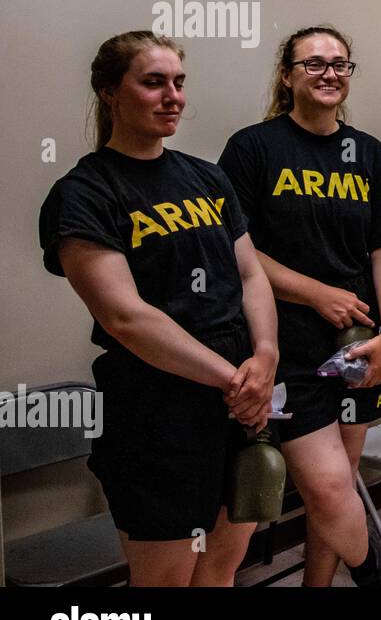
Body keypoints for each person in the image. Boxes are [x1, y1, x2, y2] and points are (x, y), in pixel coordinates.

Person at [38, 31, 278, 586]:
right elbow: (127, 317)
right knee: (166, 580)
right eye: (152, 82)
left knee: (220, 566)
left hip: (240, 404)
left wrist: (264, 355)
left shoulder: (206, 176)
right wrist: (237, 382)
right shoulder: (84, 193)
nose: (172, 96)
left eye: (178, 82)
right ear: (109, 93)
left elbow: (249, 273)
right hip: (156, 416)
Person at [218, 26, 381, 587]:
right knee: (312, 486)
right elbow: (238, 251)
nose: (330, 74)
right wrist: (314, 292)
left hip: (357, 347)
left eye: (341, 65)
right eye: (315, 63)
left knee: (341, 482)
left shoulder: (368, 153)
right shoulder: (253, 147)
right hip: (280, 345)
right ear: (287, 74)